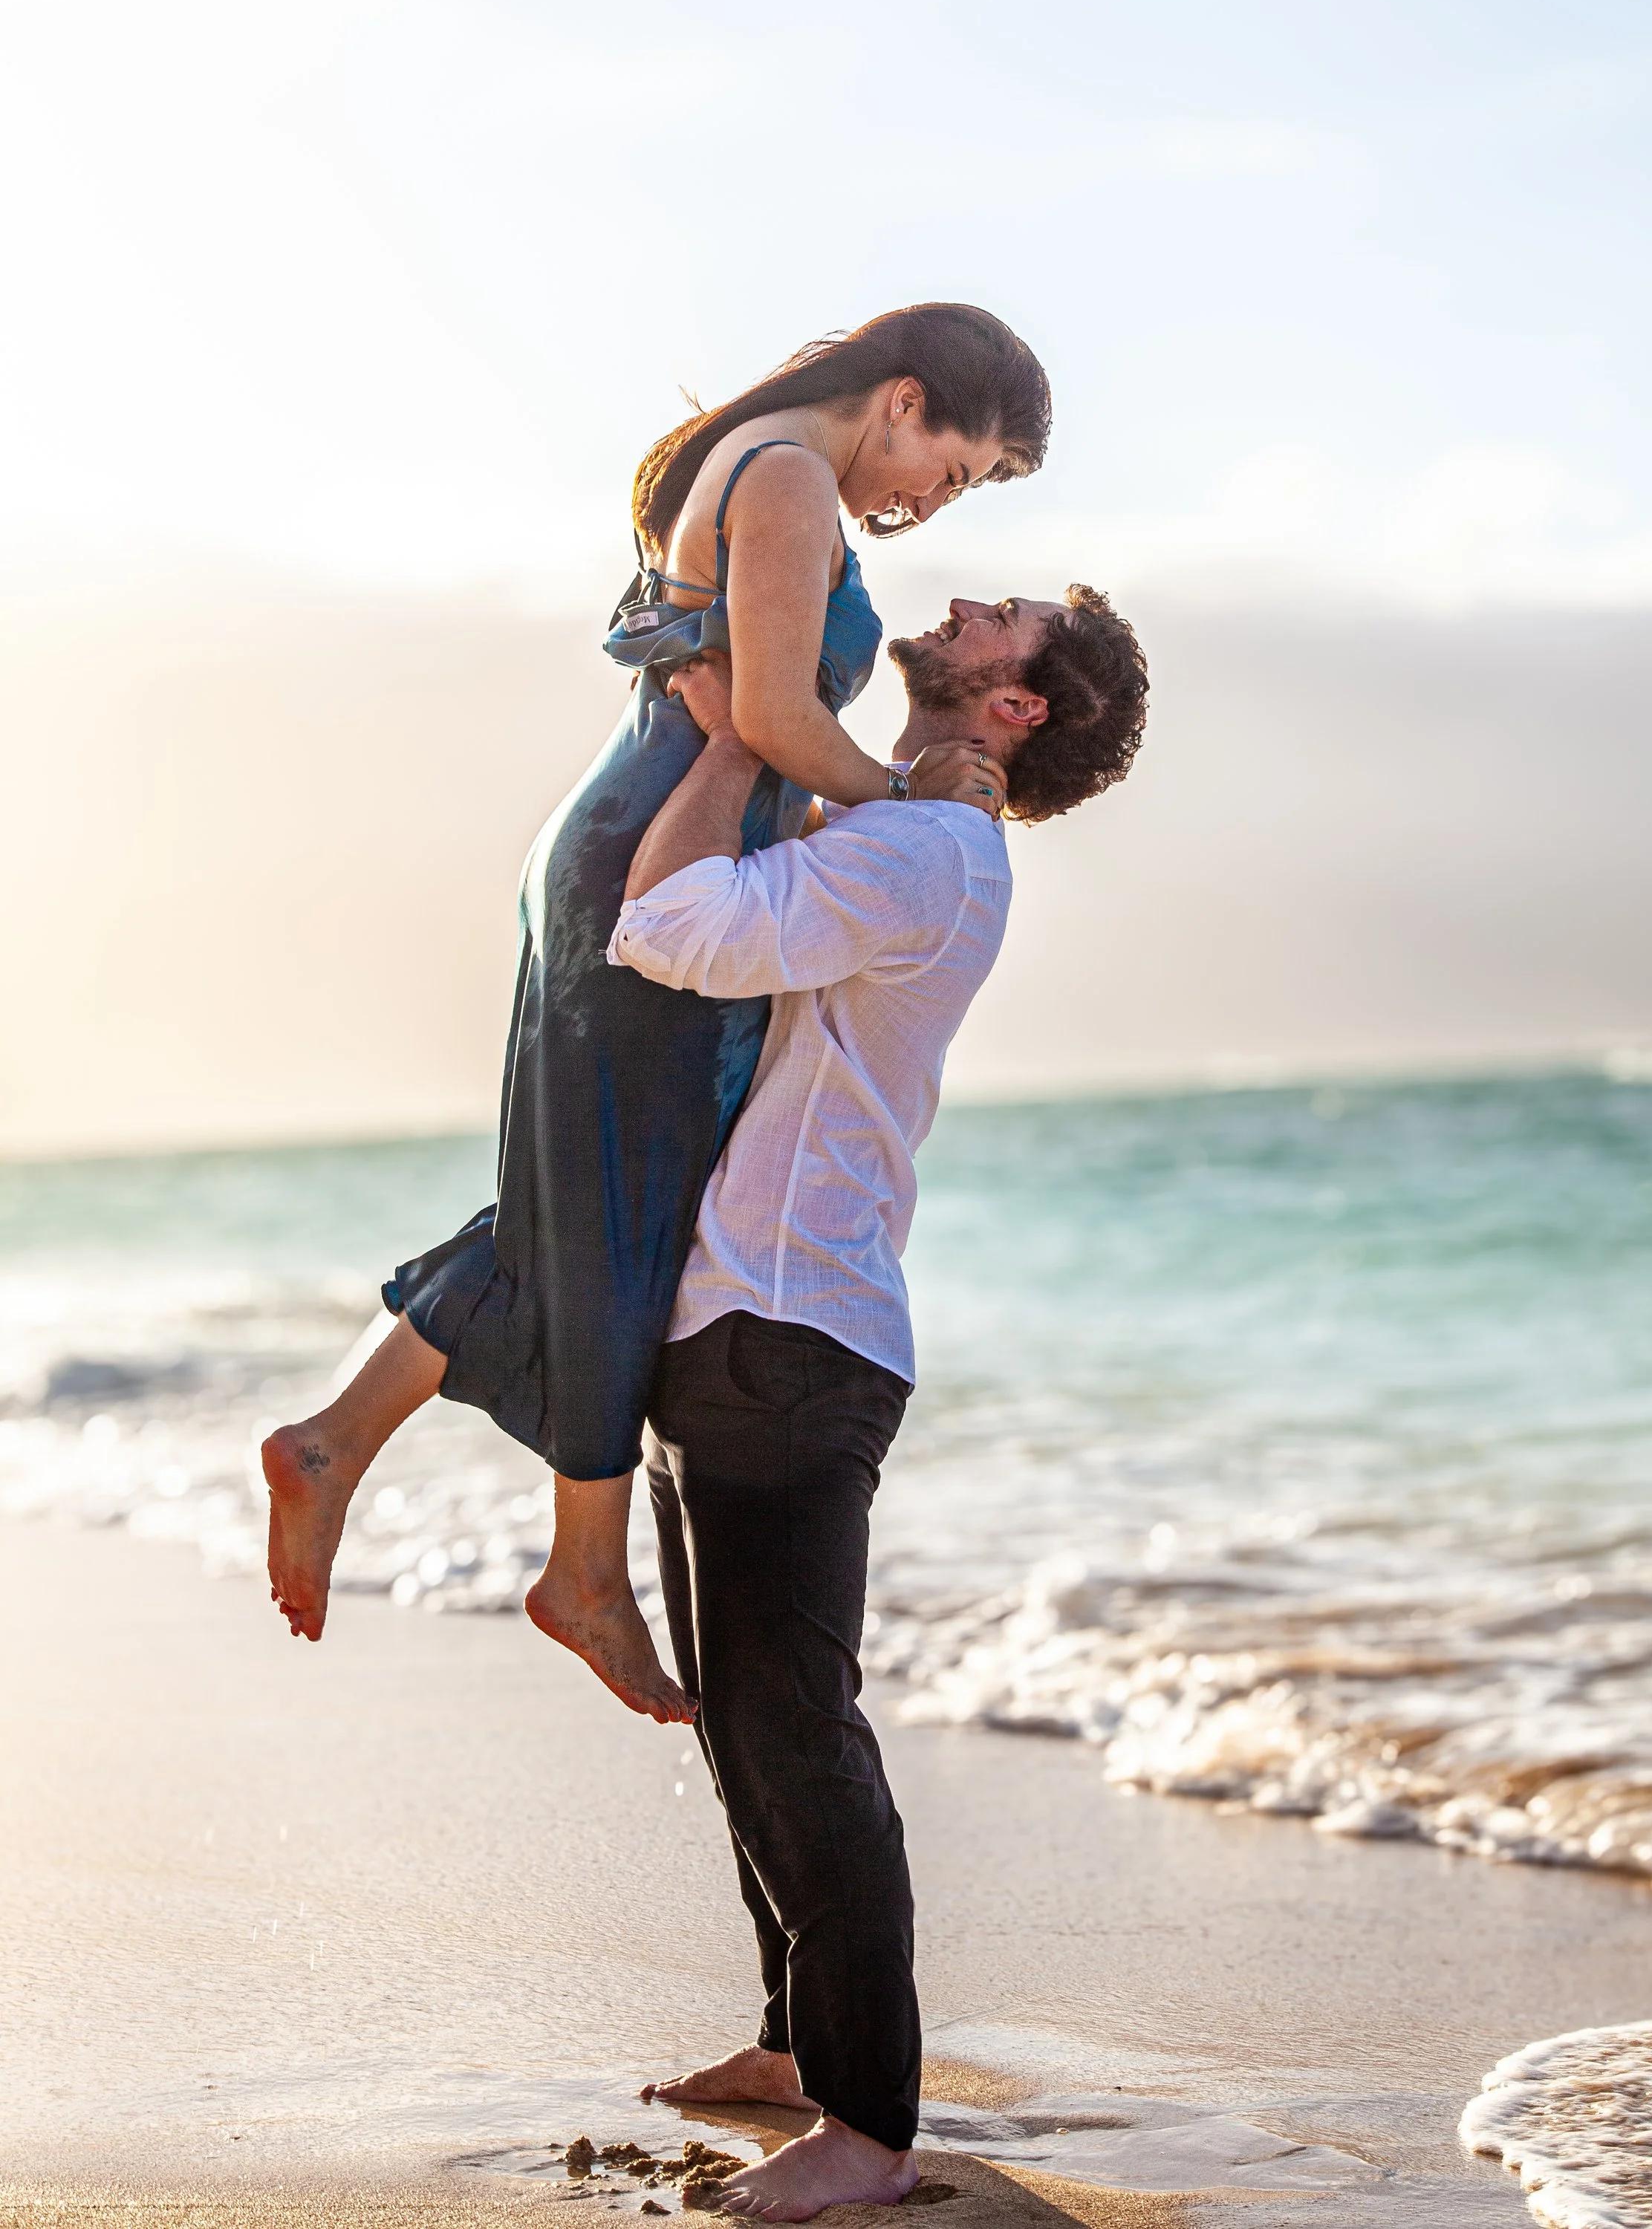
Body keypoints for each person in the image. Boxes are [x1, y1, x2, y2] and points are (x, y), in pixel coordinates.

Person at [262, 305, 1050, 1717]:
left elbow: (750, 734)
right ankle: (571, 1567)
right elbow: (775, 722)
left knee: (597, 1197)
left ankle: (363, 1454)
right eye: (958, 468)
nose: (939, 503)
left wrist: (834, 805)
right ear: (908, 398)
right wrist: (909, 793)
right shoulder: (794, 474)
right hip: (645, 873)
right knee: (620, 1208)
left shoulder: (760, 467)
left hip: (642, 850)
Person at [614, 584, 1149, 2222]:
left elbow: (668, 925)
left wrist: (719, 731)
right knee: (743, 1716)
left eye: (1008, 623)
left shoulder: (924, 851)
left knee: (794, 1728)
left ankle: (868, 2124)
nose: (968, 601)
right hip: (749, 1314)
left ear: (1018, 708)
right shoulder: (906, 822)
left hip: (793, 1331)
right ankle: (793, 2042)